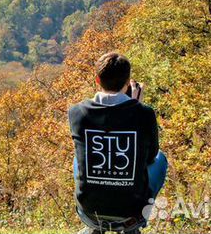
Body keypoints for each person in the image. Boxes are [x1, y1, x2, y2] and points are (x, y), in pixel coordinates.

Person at [69, 52, 168, 234]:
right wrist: (134, 105)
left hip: (89, 210)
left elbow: (104, 123)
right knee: (161, 159)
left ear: (97, 80)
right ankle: (130, 225)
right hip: (131, 211)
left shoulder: (77, 113)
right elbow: (151, 156)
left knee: (79, 158)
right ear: (128, 81)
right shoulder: (144, 114)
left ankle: (96, 226)